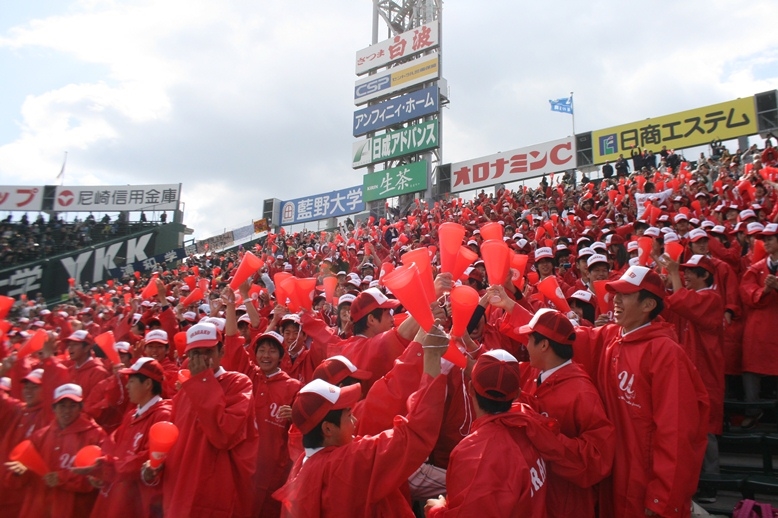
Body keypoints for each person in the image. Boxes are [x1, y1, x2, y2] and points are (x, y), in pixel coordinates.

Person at [574, 265, 709, 518]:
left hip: (644, 483)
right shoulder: (613, 336)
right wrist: (514, 308)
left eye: (625, 295)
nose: (615, 300)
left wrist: (662, 496)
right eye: (616, 294)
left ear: (648, 305)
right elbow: (566, 338)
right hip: (617, 474)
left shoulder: (666, 354)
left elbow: (677, 432)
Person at [273, 324, 449, 517]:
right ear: (328, 429)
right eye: (348, 414)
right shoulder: (349, 462)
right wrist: (432, 359)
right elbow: (412, 436)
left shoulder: (302, 464)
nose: (355, 420)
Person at [143, 322, 259, 518]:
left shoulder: (238, 383)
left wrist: (203, 381)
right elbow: (173, 443)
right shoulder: (184, 392)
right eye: (195, 353)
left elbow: (224, 435)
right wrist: (155, 468)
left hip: (215, 494)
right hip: (180, 490)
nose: (201, 359)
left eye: (208, 351)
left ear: (221, 352)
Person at [512, 306, 615, 518]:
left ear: (543, 345)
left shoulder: (582, 393)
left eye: (529, 340)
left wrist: (549, 439)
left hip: (567, 503)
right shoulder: (538, 374)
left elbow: (598, 458)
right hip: (541, 493)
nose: (525, 346)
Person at [425, 349, 550, 517]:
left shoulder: (473, 454)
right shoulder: (533, 427)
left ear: (470, 388)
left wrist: (436, 510)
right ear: (518, 395)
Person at [661, 253, 724, 502]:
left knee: (705, 431)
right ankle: (696, 482)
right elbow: (671, 307)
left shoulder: (713, 298)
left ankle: (711, 483)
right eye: (682, 271)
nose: (684, 275)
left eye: (689, 272)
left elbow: (683, 304)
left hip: (706, 374)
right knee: (691, 429)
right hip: (689, 371)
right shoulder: (693, 297)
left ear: (705, 275)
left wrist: (673, 275)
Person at [84, 358, 172, 518]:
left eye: (131, 381)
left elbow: (150, 458)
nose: (127, 386)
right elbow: (114, 444)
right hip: (118, 496)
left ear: (147, 384)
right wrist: (101, 470)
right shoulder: (132, 414)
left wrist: (110, 468)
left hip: (138, 502)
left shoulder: (163, 415)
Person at [12, 383, 106, 518]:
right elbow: (18, 482)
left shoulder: (95, 435)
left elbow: (97, 479)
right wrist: (20, 471)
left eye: (73, 406)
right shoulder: (40, 436)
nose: (67, 411)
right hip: (39, 507)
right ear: (54, 408)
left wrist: (62, 478)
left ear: (81, 408)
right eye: (62, 406)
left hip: (74, 509)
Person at [740, 223, 778, 428]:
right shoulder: (756, 268)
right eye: (766, 239)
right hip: (760, 326)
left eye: (771, 238)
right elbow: (745, 292)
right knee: (751, 368)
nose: (767, 242)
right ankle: (752, 410)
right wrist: (764, 291)